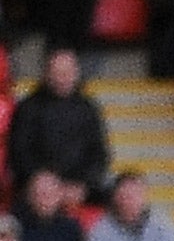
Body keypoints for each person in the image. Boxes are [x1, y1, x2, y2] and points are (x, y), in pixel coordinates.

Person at [6, 48, 109, 205]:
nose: (63, 78)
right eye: (58, 72)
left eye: (68, 72)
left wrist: (82, 185)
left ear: (77, 72)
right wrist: (46, 184)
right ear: (46, 74)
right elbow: (19, 154)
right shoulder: (27, 108)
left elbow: (99, 154)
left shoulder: (88, 109)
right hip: (37, 190)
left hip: (80, 189)